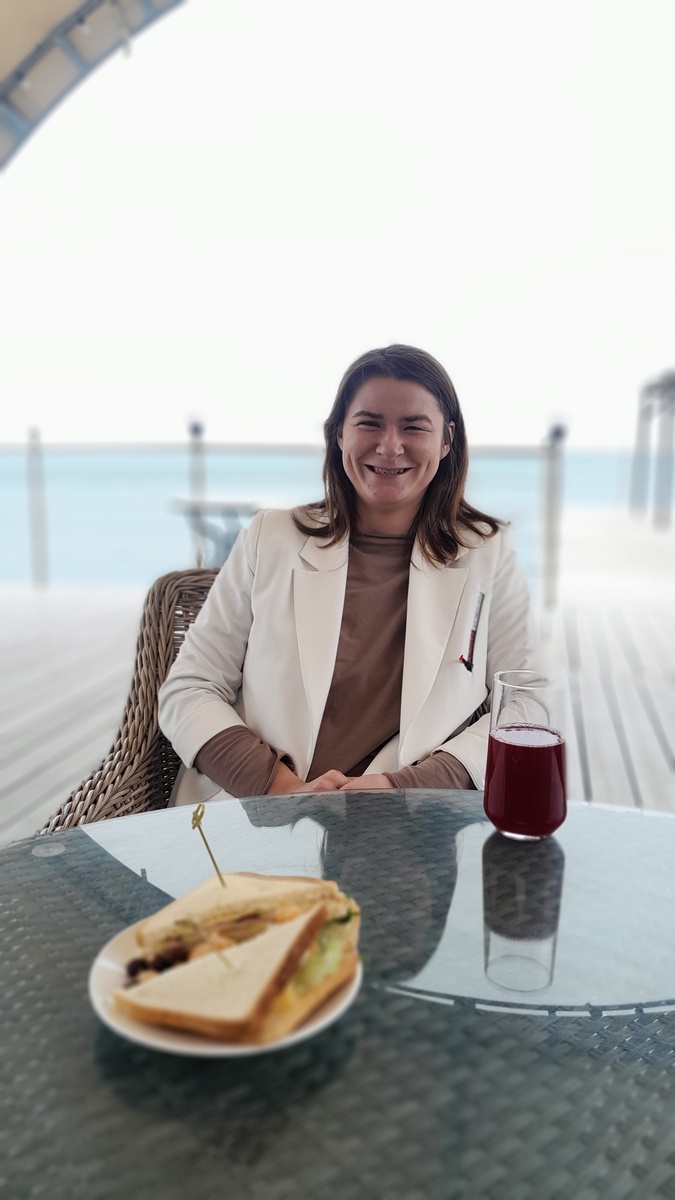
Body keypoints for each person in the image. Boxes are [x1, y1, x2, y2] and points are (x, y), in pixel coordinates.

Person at [158, 344, 538, 800]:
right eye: (369, 423)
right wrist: (279, 788)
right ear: (339, 433)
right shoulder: (269, 539)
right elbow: (189, 688)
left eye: (413, 426)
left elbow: (528, 700)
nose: (390, 446)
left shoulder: (487, 555)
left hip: (406, 820)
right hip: (253, 813)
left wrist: (404, 787)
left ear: (446, 440)